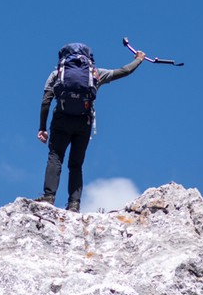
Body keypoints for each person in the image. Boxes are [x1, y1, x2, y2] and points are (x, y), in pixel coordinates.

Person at [35, 44, 146, 212]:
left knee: (55, 157)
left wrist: (42, 128)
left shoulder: (57, 73)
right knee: (76, 164)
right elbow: (124, 71)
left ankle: (49, 198)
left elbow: (46, 101)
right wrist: (138, 59)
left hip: (61, 120)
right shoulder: (95, 74)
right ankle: (74, 205)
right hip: (83, 123)